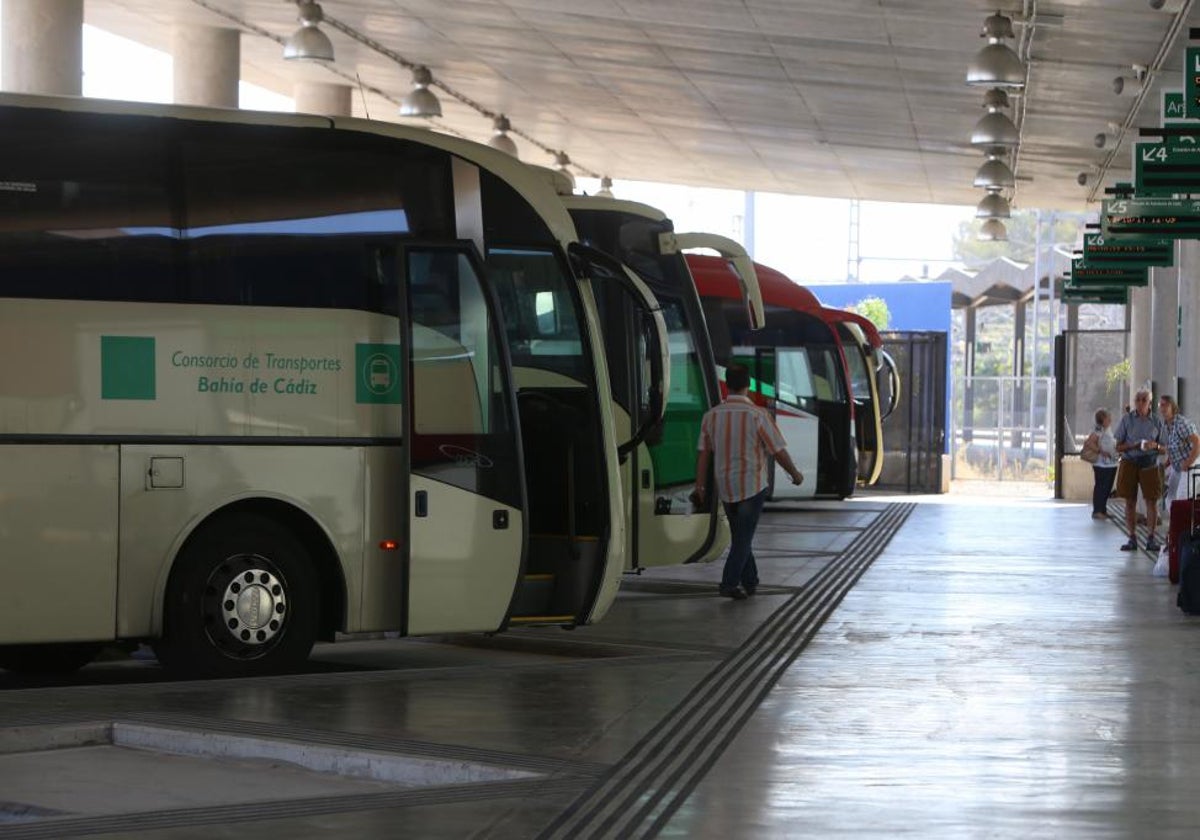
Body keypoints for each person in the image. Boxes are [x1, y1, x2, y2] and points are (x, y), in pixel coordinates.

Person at [694, 363, 804, 600]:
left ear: (728, 384)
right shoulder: (758, 415)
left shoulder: (711, 416)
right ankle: (728, 583)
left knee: (741, 536)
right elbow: (778, 451)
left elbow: (704, 454)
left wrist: (700, 486)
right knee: (743, 538)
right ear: (747, 385)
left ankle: (751, 580)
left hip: (725, 487)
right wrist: (794, 473)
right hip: (752, 487)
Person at [1113, 388, 1166, 552]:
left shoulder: (1157, 421)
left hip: (1149, 463)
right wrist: (1133, 445)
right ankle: (1132, 537)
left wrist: (1155, 445)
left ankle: (1151, 538)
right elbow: (1118, 446)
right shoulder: (1127, 420)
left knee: (1152, 500)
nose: (1140, 403)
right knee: (1130, 501)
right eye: (1138, 399)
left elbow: (1164, 448)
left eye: (1144, 400)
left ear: (1150, 402)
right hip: (1130, 462)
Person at [1160, 395, 1200, 503]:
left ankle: (1184, 520)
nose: (1162, 408)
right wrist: (1167, 463)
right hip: (1177, 467)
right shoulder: (1166, 425)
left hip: (1190, 466)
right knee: (1170, 500)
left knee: (1182, 498)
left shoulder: (1181, 423)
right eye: (1160, 405)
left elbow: (1197, 442)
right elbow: (1172, 448)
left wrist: (1188, 462)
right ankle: (1176, 520)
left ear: (1172, 406)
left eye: (1165, 405)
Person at [1085, 408, 1118, 520]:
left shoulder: (1108, 429)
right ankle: (1097, 510)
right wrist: (1101, 451)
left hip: (1111, 464)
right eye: (1107, 417)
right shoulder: (1098, 430)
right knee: (1101, 487)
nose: (1110, 419)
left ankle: (1103, 510)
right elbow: (1089, 443)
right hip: (1101, 465)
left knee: (1107, 488)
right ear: (1102, 419)